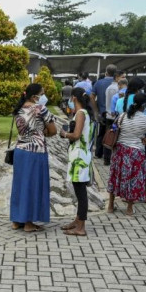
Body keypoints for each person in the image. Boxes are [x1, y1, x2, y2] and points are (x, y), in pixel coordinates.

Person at [107, 92, 146, 216]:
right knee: (133, 179)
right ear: (144, 105)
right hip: (136, 153)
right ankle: (129, 208)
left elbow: (114, 128)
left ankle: (111, 206)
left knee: (115, 176)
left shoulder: (122, 116)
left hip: (120, 151)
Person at [10, 83, 57, 232]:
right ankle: (29, 223)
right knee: (32, 186)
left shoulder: (18, 109)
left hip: (20, 151)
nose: (43, 96)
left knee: (20, 186)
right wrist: (43, 133)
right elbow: (53, 130)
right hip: (36, 151)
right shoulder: (40, 109)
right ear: (34, 96)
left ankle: (17, 220)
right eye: (41, 93)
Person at [59, 87, 94, 236]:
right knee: (79, 190)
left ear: (74, 98)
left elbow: (77, 135)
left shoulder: (80, 114)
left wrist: (65, 134)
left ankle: (81, 227)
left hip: (79, 156)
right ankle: (78, 220)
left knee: (81, 193)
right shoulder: (85, 113)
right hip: (81, 155)